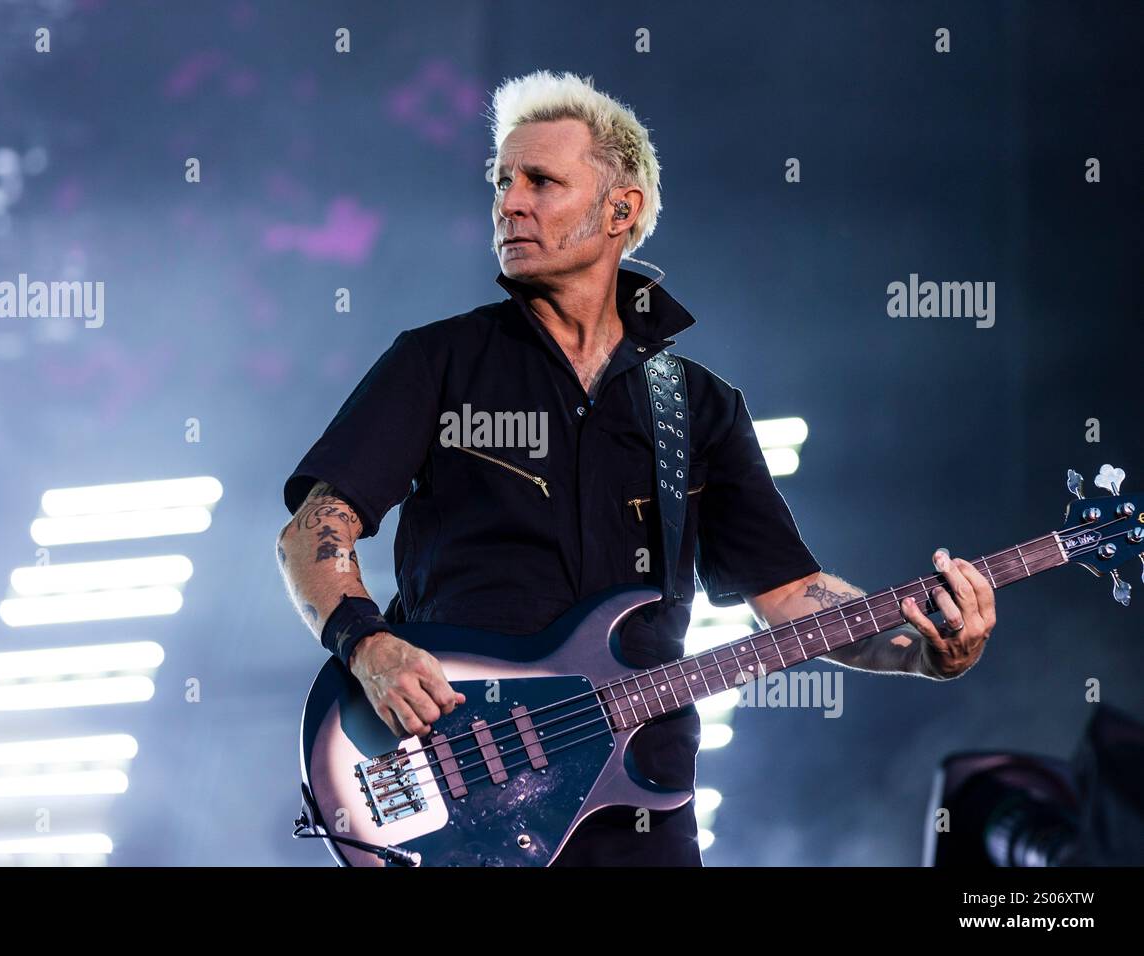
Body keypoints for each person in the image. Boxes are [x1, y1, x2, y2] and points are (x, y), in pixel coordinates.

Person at [277, 70, 996, 866]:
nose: (509, 201)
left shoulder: (699, 405)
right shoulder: (436, 362)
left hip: (636, 804)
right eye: (501, 180)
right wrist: (369, 647)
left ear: (620, 210)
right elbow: (313, 531)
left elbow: (793, 596)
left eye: (541, 180)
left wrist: (921, 652)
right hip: (459, 788)